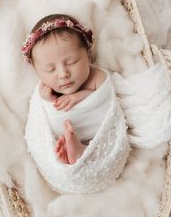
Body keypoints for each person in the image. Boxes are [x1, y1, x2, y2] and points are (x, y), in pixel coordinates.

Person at [22, 13, 109, 165]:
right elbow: (47, 113)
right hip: (61, 135)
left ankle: (81, 151)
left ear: (88, 56)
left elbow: (105, 93)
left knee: (105, 146)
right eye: (50, 69)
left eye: (72, 61)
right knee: (54, 147)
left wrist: (78, 96)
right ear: (37, 72)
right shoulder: (45, 89)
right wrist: (48, 99)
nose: (63, 74)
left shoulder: (96, 77)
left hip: (100, 134)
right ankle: (69, 153)